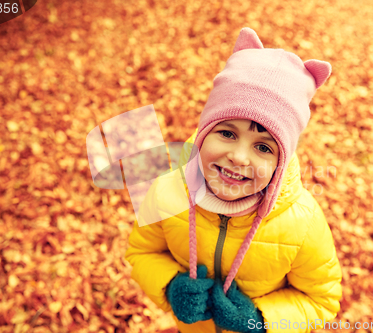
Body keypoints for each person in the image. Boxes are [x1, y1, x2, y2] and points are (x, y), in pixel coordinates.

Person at [124, 27, 342, 333]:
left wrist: (260, 322)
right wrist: (170, 287)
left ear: (280, 164)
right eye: (227, 133)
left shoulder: (302, 225)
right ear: (203, 135)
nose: (239, 157)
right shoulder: (167, 189)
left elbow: (321, 302)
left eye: (263, 147)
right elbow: (141, 252)